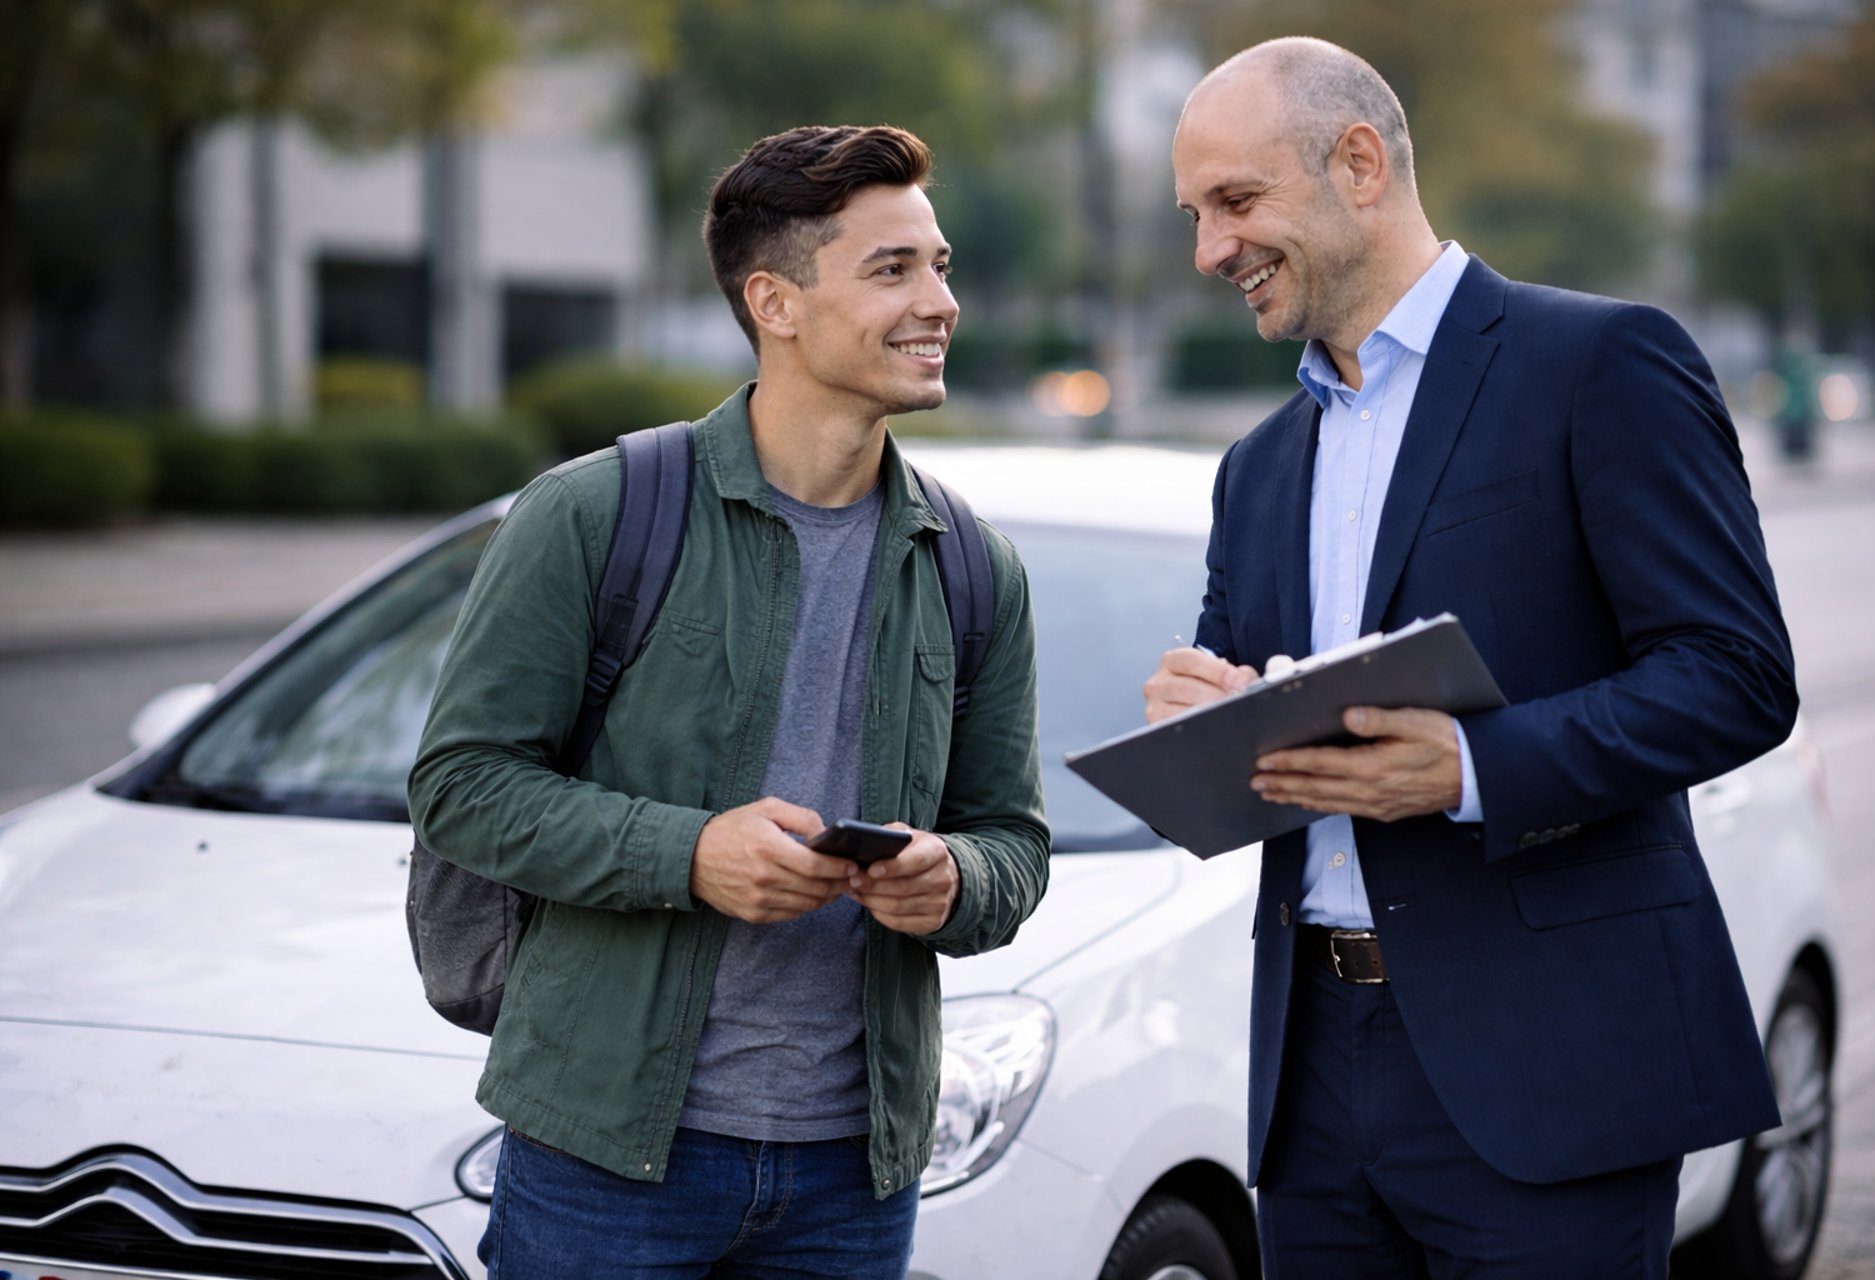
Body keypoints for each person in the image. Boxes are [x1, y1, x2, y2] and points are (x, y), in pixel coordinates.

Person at [1145, 38, 1798, 1278]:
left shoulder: (1602, 364)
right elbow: (1244, 749)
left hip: (1553, 1073)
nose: (1209, 251)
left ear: (1358, 164)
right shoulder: (1257, 466)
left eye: (1235, 203)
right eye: (1195, 214)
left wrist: (1468, 767)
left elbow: (1737, 673)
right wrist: (1203, 715)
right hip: (1314, 1089)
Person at [409, 124, 1049, 1279]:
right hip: (606, 1156)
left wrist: (955, 878)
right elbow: (462, 787)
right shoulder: (594, 514)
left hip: (855, 1177)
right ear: (776, 301)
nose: (939, 301)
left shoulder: (973, 564)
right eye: (893, 269)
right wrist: (690, 853)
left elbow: (1014, 841)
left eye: (940, 265)